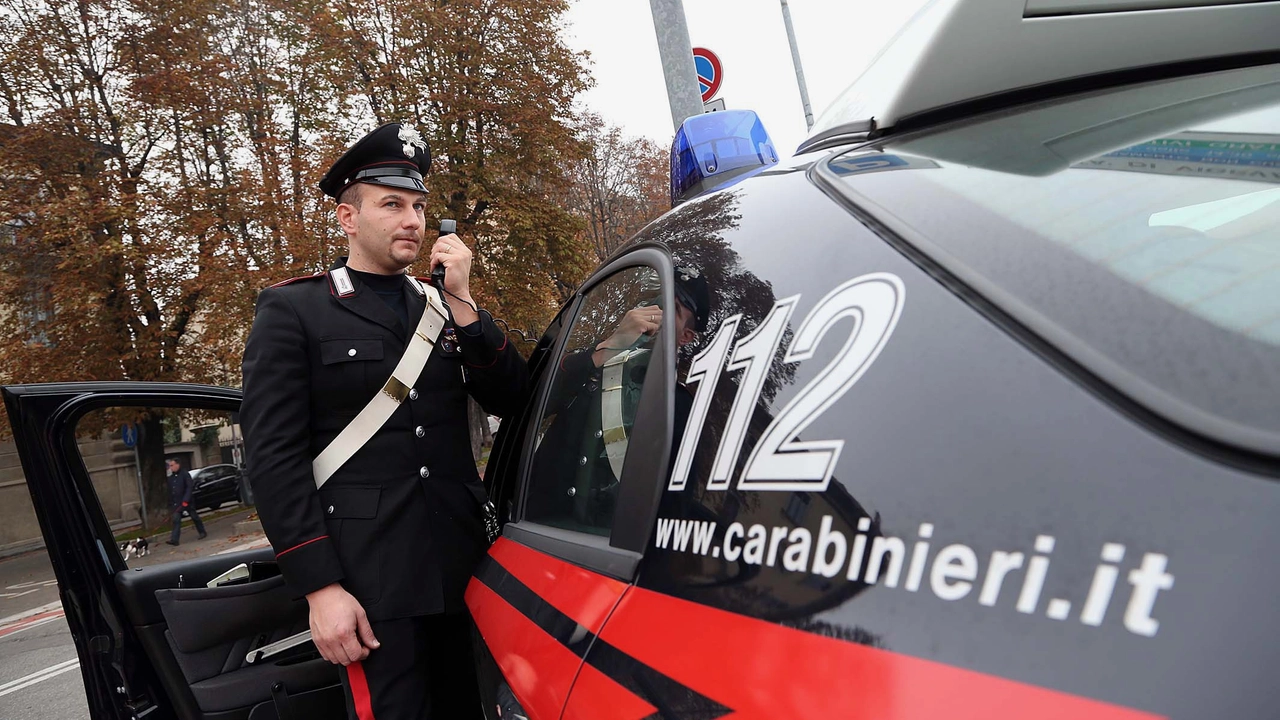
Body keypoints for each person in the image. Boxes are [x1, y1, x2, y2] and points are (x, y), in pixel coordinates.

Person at [240, 123, 527, 720]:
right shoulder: (295, 309)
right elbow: (274, 459)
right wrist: (321, 588)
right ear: (348, 218)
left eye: (419, 207)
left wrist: (466, 302)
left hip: (464, 566)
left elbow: (513, 398)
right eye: (392, 205)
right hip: (370, 584)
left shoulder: (441, 304)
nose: (411, 220)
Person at [526, 266, 710, 524]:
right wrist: (611, 345)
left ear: (686, 335)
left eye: (673, 309)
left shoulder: (679, 406)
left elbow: (671, 510)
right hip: (537, 524)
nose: (656, 312)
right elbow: (529, 400)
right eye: (657, 299)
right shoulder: (597, 367)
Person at [165, 458, 207, 546]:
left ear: (177, 465)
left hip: (187, 502)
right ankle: (174, 539)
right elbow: (170, 491)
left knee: (194, 517)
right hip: (177, 504)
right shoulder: (171, 478)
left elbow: (189, 488)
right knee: (176, 520)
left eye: (172, 465)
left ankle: (202, 532)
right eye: (170, 466)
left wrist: (186, 500)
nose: (171, 468)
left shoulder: (185, 474)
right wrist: (171, 503)